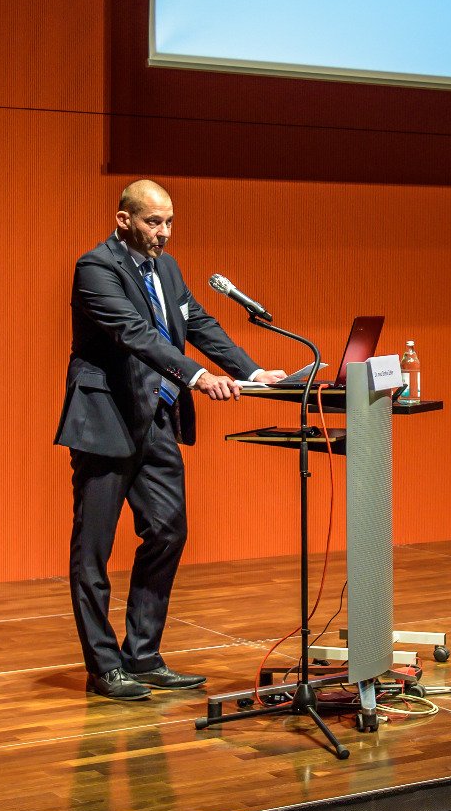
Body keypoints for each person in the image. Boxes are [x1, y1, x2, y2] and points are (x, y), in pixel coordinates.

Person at [55, 180, 285, 700]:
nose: (163, 233)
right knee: (93, 549)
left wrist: (251, 371)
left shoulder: (168, 269)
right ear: (124, 220)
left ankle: (142, 655)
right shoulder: (96, 268)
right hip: (106, 420)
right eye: (153, 222)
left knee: (167, 531)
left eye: (169, 222)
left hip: (156, 418)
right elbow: (134, 333)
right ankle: (104, 666)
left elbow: (198, 322)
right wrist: (198, 377)